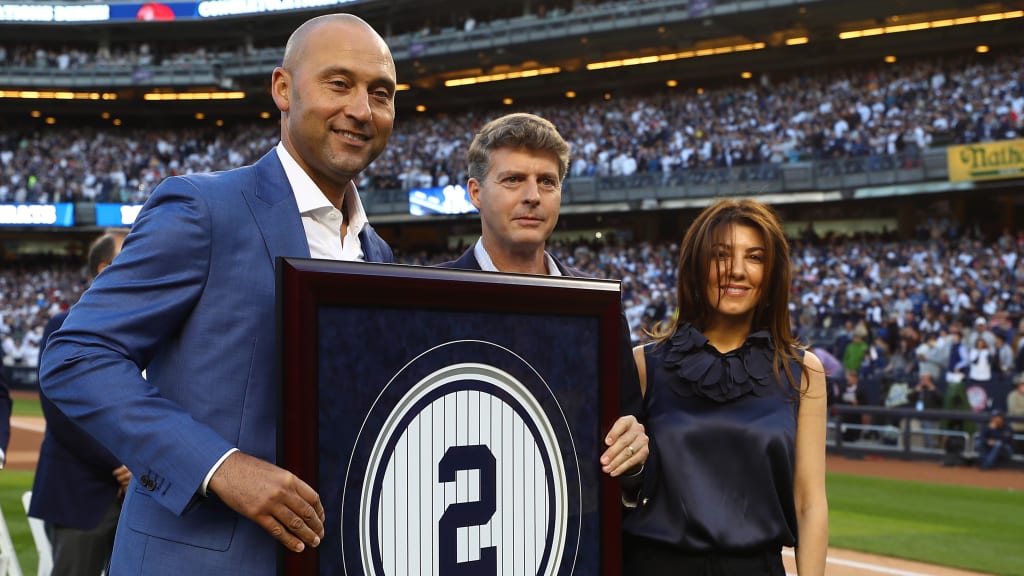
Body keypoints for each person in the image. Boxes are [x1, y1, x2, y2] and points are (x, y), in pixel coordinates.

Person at [38, 13, 396, 575]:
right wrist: (220, 466)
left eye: (381, 93)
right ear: (283, 88)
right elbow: (77, 356)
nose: (361, 109)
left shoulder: (379, 254)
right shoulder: (203, 208)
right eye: (338, 83)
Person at [436, 112, 648, 476]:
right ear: (475, 192)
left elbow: (629, 439)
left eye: (547, 181)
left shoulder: (599, 307)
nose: (533, 196)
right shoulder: (426, 301)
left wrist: (635, 461)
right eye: (514, 179)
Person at [624, 199, 828, 575]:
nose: (736, 271)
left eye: (754, 257)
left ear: (772, 273)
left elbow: (809, 503)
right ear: (696, 267)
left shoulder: (803, 373)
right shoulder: (643, 365)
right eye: (721, 255)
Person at [30, 231, 132, 576]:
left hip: (139, 496)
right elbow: (60, 413)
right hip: (81, 493)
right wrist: (121, 464)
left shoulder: (150, 328)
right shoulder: (64, 324)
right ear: (104, 269)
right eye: (130, 255)